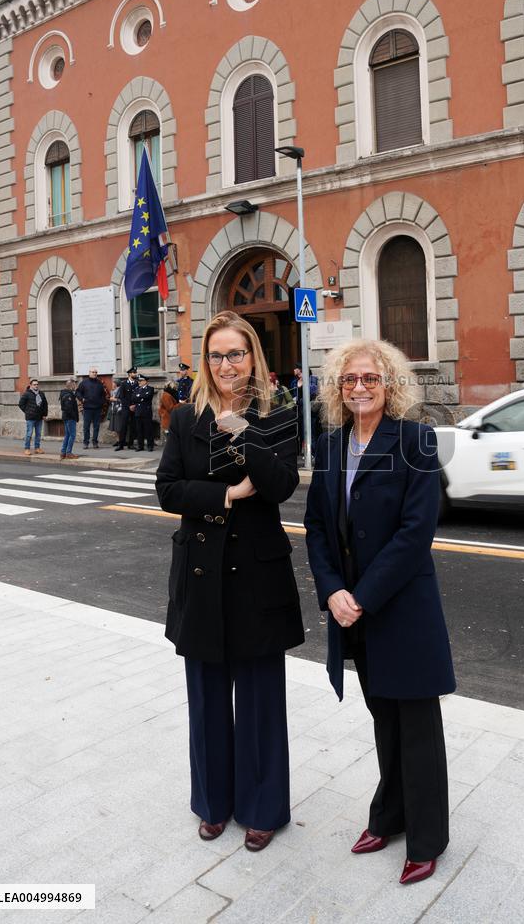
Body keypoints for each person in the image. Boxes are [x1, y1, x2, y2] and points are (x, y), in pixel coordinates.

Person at [304, 338, 455, 886]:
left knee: (416, 726)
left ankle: (428, 837)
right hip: (355, 615)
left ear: (389, 384)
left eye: (370, 378)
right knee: (384, 723)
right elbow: (318, 528)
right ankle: (388, 816)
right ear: (337, 389)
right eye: (350, 380)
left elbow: (417, 534)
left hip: (401, 610)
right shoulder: (328, 446)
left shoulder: (415, 440)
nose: (360, 387)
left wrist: (361, 595)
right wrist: (332, 592)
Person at [155, 310, 304, 853]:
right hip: (201, 574)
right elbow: (168, 490)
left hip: (257, 577)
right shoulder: (187, 417)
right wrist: (227, 495)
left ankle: (264, 808)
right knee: (208, 698)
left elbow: (282, 483)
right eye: (217, 355)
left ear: (253, 358)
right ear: (206, 361)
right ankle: (214, 803)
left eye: (236, 353)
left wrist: (244, 436)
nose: (226, 364)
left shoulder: (276, 413)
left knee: (262, 700)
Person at [76, 367, 108, 450]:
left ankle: (95, 442)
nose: (94, 373)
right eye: (93, 372)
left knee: (96, 426)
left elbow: (103, 395)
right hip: (87, 408)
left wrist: (101, 402)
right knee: (86, 426)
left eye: (96, 372)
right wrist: (81, 399)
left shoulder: (99, 383)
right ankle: (86, 442)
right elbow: (78, 392)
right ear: (89, 373)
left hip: (97, 408)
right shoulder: (84, 383)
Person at [18, 379, 48, 456]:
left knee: (38, 434)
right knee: (29, 433)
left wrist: (45, 414)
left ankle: (37, 448)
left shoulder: (41, 393)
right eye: (34, 384)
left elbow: (45, 404)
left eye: (37, 384)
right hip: (30, 418)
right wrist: (27, 411)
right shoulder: (26, 394)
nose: (36, 386)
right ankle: (27, 448)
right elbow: (21, 404)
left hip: (39, 417)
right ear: (31, 385)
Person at [114, 367, 140, 450]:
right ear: (129, 374)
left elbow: (138, 395)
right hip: (126, 408)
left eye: (135, 373)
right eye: (133, 373)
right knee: (123, 426)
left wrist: (134, 405)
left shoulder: (137, 383)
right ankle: (121, 444)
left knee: (133, 426)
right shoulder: (124, 384)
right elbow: (122, 397)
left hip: (134, 408)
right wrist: (129, 406)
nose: (135, 374)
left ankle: (131, 444)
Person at [59, 377, 80, 460]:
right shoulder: (69, 395)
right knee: (72, 435)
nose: (75, 386)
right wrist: (74, 416)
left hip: (66, 417)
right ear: (71, 386)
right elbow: (68, 408)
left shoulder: (66, 393)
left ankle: (63, 452)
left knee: (67, 435)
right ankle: (68, 453)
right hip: (70, 418)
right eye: (74, 384)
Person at [133, 375, 155, 451]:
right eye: (139, 381)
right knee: (139, 430)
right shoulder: (136, 389)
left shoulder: (150, 389)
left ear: (145, 381)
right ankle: (140, 446)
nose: (139, 382)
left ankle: (150, 445)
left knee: (148, 429)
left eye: (141, 381)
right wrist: (141, 397)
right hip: (138, 412)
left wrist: (139, 397)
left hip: (146, 412)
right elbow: (133, 398)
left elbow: (148, 397)